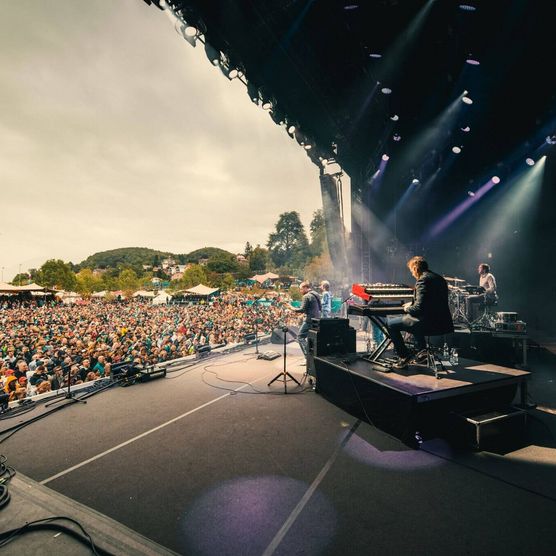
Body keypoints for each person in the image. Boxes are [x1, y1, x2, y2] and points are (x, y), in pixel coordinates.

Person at [387, 256, 454, 369]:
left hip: (428, 323)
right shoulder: (439, 278)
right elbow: (431, 302)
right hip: (442, 323)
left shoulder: (423, 280)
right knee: (411, 319)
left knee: (391, 323)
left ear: (415, 268)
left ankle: (404, 356)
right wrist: (412, 304)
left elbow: (418, 309)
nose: (412, 274)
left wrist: (407, 308)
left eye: (411, 271)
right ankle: (422, 353)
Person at [289, 281, 321, 356]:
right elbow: (319, 307)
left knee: (300, 337)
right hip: (316, 319)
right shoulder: (315, 294)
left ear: (305, 288)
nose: (300, 291)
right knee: (311, 338)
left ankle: (308, 357)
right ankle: (312, 356)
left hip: (309, 320)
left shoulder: (306, 296)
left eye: (301, 289)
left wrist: (291, 307)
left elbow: (302, 309)